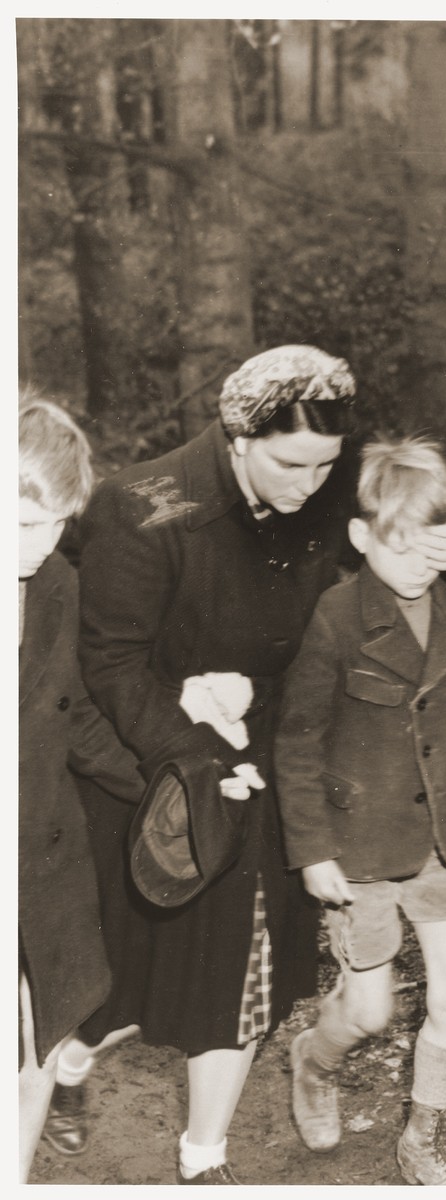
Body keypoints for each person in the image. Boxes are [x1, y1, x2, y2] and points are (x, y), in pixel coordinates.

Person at [50, 346, 446, 1184]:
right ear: (237, 436)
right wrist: (191, 748)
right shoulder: (142, 507)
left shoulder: (335, 484)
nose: (310, 483)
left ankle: (202, 1156)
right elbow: (109, 667)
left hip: (281, 759)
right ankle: (69, 1064)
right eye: (291, 463)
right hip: (156, 765)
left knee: (240, 968)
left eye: (327, 463)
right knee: (122, 979)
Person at [274, 436, 446, 1185]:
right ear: (360, 538)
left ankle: (421, 1137)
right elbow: (295, 744)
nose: (421, 562)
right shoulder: (333, 619)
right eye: (401, 546)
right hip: (359, 843)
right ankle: (312, 1059)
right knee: (369, 1011)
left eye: (433, 544)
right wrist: (312, 850)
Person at [17, 397, 142, 1182]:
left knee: (38, 1057)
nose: (38, 544)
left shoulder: (56, 582)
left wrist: (166, 779)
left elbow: (77, 720)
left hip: (42, 862)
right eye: (21, 520)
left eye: (56, 522)